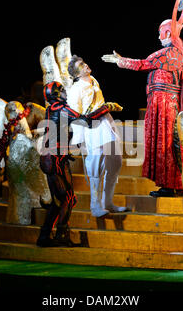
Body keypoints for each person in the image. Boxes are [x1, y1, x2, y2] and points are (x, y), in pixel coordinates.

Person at [101, 0, 183, 197]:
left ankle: (171, 185)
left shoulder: (168, 54)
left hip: (164, 106)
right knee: (169, 144)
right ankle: (173, 184)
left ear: (167, 33)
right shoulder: (176, 53)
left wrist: (120, 61)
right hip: (166, 104)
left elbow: (142, 64)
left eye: (162, 33)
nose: (159, 37)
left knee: (166, 144)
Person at [37, 81, 122, 247]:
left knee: (59, 200)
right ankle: (61, 236)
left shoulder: (50, 109)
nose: (64, 92)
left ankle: (44, 236)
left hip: (48, 157)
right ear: (55, 94)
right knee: (68, 198)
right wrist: (106, 108)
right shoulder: (63, 109)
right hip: (56, 159)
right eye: (61, 90)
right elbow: (87, 120)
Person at [67, 55, 128, 216]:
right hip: (92, 127)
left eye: (84, 62)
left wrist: (108, 107)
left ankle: (108, 202)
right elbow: (75, 114)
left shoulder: (93, 80)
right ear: (76, 74)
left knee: (115, 161)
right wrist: (80, 139)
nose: (86, 65)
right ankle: (95, 206)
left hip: (106, 123)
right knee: (96, 164)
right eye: (81, 65)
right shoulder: (76, 88)